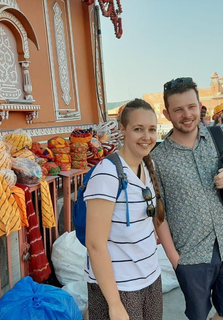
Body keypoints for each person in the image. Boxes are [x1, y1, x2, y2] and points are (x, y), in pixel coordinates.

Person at [152, 77, 223, 320]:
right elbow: (159, 215)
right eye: (178, 109)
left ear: (200, 106)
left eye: (191, 107)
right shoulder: (157, 159)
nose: (187, 114)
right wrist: (176, 261)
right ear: (167, 113)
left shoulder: (218, 138)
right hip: (190, 258)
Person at [84, 98, 165, 320]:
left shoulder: (148, 166)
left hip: (149, 278)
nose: (146, 137)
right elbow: (94, 244)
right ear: (123, 130)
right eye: (138, 129)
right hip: (118, 286)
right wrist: (115, 304)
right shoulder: (106, 174)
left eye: (151, 129)